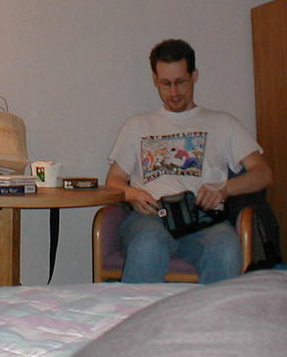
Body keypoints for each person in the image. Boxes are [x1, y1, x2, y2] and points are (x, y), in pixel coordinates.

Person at [104, 39, 273, 284]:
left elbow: (263, 173)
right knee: (147, 246)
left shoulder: (223, 123)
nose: (173, 92)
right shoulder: (136, 125)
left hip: (203, 218)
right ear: (155, 80)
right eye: (166, 83)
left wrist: (224, 189)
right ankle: (140, 311)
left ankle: (211, 311)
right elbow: (113, 180)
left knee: (226, 249)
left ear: (194, 76)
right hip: (151, 216)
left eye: (181, 82)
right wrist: (132, 193)